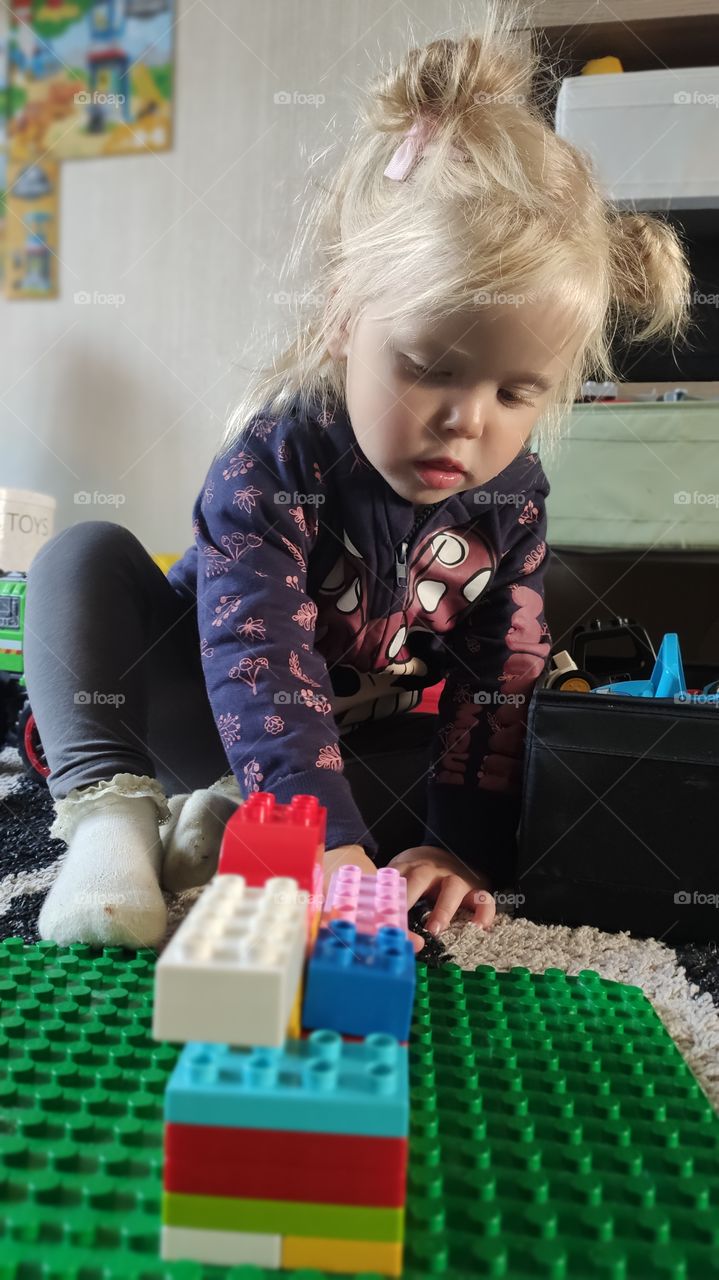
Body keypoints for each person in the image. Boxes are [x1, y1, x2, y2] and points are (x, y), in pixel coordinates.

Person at [23, 2, 690, 949]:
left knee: (512, 763)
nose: (467, 421)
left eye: (515, 392)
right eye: (429, 369)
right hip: (194, 704)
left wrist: (455, 846)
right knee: (79, 558)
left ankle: (220, 824)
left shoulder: (511, 502)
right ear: (343, 319)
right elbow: (261, 672)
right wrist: (324, 843)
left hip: (341, 739)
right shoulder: (274, 462)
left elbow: (498, 680)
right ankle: (113, 822)